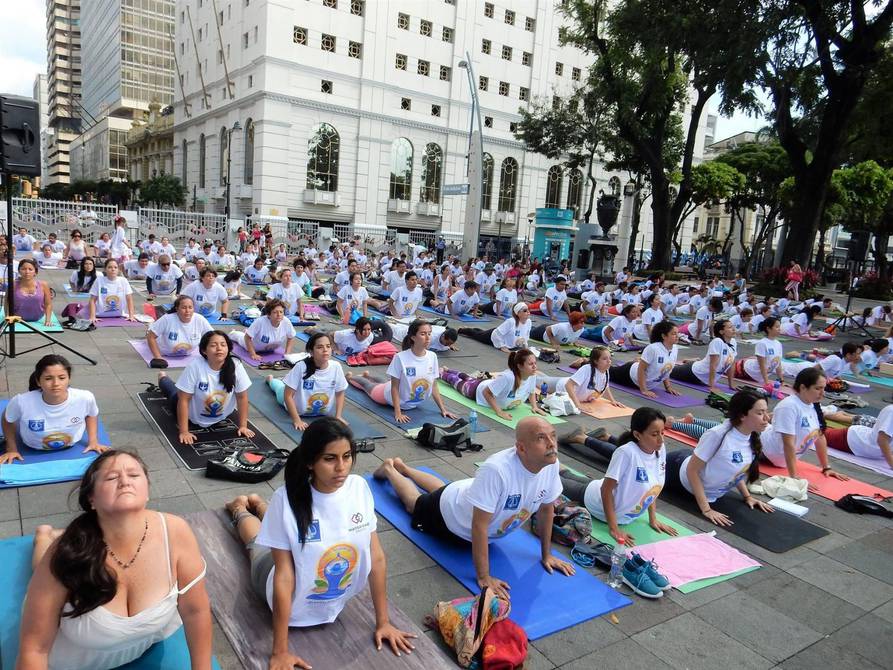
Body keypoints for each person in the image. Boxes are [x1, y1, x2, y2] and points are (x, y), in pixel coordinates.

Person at [225, 419, 415, 670]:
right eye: (330, 459)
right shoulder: (287, 498)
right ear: (309, 462)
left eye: (347, 456)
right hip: (276, 572)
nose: (341, 468)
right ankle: (239, 508)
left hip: (307, 564)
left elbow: (376, 558)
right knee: (255, 544)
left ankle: (260, 504)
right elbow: (283, 576)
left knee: (272, 521)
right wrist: (280, 651)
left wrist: (383, 622)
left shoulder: (358, 488)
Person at [16, 450, 212, 669]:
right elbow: (35, 648)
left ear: (147, 490)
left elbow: (196, 610)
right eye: (111, 477)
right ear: (91, 498)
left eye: (134, 475)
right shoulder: (65, 552)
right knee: (43, 565)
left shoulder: (176, 531)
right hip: (75, 660)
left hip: (138, 646)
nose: (124, 481)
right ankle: (43, 536)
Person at [373, 416, 574, 600]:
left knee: (444, 490)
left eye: (553, 436)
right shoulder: (497, 470)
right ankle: (391, 469)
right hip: (450, 515)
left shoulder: (550, 463)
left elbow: (547, 509)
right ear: (521, 448)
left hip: (467, 494)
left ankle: (405, 468)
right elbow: (479, 525)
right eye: (541, 438)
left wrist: (546, 555)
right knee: (415, 503)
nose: (551, 444)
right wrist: (484, 577)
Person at [558, 407, 677, 553]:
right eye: (654, 434)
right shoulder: (626, 453)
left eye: (662, 432)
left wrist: (653, 519)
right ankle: (541, 459)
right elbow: (606, 489)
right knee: (554, 481)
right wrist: (614, 529)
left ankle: (555, 463)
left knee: (568, 475)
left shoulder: (660, 449)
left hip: (596, 488)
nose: (661, 439)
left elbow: (653, 487)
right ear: (637, 435)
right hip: (594, 500)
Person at [660, 392, 776, 526]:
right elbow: (692, 470)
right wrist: (706, 509)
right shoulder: (717, 435)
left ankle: (681, 421)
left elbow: (737, 470)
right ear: (742, 415)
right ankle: (673, 423)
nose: (767, 418)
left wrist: (747, 497)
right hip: (675, 469)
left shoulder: (751, 437)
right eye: (760, 413)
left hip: (700, 463)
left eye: (766, 412)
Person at [1, 354, 109, 464]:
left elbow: (91, 414)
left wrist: (93, 441)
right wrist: (11, 449)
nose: (56, 384)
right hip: (31, 448)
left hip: (71, 446)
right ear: (38, 381)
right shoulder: (21, 402)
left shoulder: (85, 398)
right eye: (48, 378)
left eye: (62, 378)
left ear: (69, 378)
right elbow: (7, 418)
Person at [346, 320, 458, 424]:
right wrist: (398, 413)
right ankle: (350, 377)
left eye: (429, 333)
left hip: (405, 396)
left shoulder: (432, 356)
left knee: (383, 382)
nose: (428, 338)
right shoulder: (400, 357)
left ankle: (367, 375)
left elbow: (433, 385)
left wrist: (444, 410)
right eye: (423, 334)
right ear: (413, 337)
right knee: (367, 385)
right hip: (387, 397)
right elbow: (394, 388)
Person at [158, 330, 254, 445]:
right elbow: (183, 400)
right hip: (190, 413)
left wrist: (243, 426)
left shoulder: (236, 365)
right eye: (213, 345)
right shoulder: (195, 366)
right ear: (204, 351)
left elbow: (242, 397)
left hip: (219, 415)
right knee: (172, 392)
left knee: (178, 390)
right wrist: (184, 431)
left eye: (223, 345)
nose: (219, 348)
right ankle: (163, 378)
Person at [760, 367, 848, 483]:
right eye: (818, 388)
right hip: (763, 450)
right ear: (802, 387)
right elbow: (788, 443)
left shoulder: (813, 405)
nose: (823, 393)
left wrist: (826, 467)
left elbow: (819, 436)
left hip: (778, 456)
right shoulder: (789, 406)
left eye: (824, 388)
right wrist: (794, 477)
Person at [265, 332, 348, 430]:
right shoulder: (301, 367)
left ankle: (287, 379)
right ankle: (271, 379)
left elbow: (340, 393)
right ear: (311, 352)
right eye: (320, 347)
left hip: (321, 411)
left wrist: (338, 416)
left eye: (328, 346)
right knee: (279, 388)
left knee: (288, 383)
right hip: (293, 405)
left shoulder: (336, 367)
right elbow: (287, 396)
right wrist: (297, 420)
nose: (325, 350)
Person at [441, 349, 546, 421]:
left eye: (535, 363)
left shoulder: (532, 375)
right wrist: (499, 412)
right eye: (530, 364)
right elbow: (486, 392)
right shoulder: (508, 377)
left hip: (485, 383)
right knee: (455, 381)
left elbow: (531, 391)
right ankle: (441, 372)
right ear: (520, 366)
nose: (535, 367)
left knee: (468, 378)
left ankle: (449, 369)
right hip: (476, 390)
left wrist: (534, 406)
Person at [538, 345, 625, 409]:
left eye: (610, 358)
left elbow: (605, 386)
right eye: (605, 359)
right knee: (536, 381)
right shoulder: (586, 369)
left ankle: (537, 373)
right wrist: (577, 404)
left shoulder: (605, 371)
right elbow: (569, 385)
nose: (609, 361)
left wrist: (613, 401)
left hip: (567, 385)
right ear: (595, 361)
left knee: (544, 378)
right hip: (560, 386)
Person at [613, 320, 681, 397]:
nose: (677, 336)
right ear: (664, 336)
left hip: (648, 383)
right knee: (608, 372)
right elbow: (641, 369)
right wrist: (644, 390)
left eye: (677, 333)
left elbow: (666, 368)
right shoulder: (653, 348)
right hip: (629, 375)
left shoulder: (675, 349)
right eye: (673, 334)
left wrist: (668, 387)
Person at [670, 319, 737, 393]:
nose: (733, 329)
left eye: (733, 326)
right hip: (694, 372)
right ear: (721, 332)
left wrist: (731, 384)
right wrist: (711, 386)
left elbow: (732, 364)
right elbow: (713, 365)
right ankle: (690, 362)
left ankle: (691, 360)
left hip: (703, 375)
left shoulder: (733, 342)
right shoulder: (717, 342)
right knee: (669, 372)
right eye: (730, 327)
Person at [146, 296, 213, 365]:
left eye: (190, 307)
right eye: (184, 308)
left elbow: (213, 337)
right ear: (177, 309)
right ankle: (151, 323)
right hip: (162, 348)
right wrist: (158, 357)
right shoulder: (167, 319)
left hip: (186, 353)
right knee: (150, 331)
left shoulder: (199, 319)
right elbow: (150, 337)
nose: (187, 311)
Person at [823, 404, 893, 469]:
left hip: (863, 442)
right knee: (818, 432)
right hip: (854, 440)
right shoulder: (891, 411)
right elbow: (882, 440)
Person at [229, 299, 296, 360]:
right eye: (275, 312)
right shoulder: (260, 321)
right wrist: (253, 354)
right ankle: (233, 332)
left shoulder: (286, 321)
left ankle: (249, 331)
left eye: (281, 312)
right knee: (239, 337)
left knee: (251, 332)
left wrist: (287, 353)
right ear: (268, 315)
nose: (279, 315)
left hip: (271, 348)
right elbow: (247, 337)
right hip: (255, 347)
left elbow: (291, 337)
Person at [458, 302, 531, 352]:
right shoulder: (511, 321)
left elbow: (525, 336)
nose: (528, 312)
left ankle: (470, 328)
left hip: (506, 341)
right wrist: (502, 346)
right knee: (476, 335)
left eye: (528, 310)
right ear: (518, 313)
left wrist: (525, 345)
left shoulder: (529, 322)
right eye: (525, 310)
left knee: (480, 332)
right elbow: (496, 334)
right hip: (492, 337)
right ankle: (461, 330)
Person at [734, 316, 785, 387]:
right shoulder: (762, 343)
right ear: (768, 329)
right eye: (777, 327)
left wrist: (781, 380)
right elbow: (762, 365)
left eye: (779, 326)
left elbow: (778, 364)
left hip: (758, 376)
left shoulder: (778, 344)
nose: (779, 329)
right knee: (724, 370)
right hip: (745, 370)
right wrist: (767, 382)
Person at [11, 258, 54, 325]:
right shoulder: (13, 284)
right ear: (19, 271)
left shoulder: (43, 285)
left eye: (30, 269)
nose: (27, 272)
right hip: (17, 319)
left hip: (37, 318)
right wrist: (8, 318)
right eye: (23, 269)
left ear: (35, 272)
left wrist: (48, 320)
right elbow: (7, 302)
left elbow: (48, 304)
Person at [391, 321, 459, 351]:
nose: (448, 345)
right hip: (413, 333)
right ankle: (388, 324)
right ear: (443, 336)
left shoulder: (447, 334)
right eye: (447, 343)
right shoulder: (431, 337)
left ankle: (395, 324)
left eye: (450, 343)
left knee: (401, 327)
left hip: (422, 329)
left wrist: (450, 345)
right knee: (395, 330)